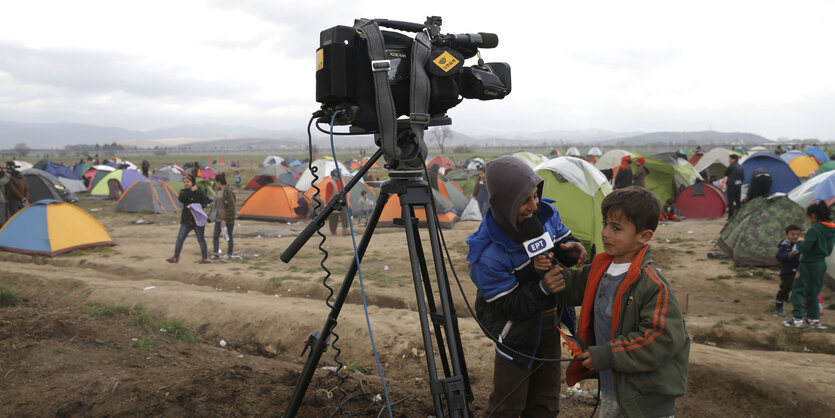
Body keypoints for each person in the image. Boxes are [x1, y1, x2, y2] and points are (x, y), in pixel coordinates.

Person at [544, 187, 690, 417]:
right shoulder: (602, 268)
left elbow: (660, 339)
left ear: (644, 236)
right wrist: (547, 259)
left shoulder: (651, 284)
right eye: (605, 224)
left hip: (646, 399)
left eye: (616, 228)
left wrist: (607, 354)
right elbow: (571, 287)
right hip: (614, 387)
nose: (605, 233)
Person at [466, 156, 587, 417]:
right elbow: (507, 306)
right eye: (525, 200)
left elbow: (563, 238)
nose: (534, 205)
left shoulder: (546, 214)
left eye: (536, 195)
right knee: (508, 406)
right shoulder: (487, 255)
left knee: (546, 404)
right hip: (516, 336)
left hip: (550, 326)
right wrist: (542, 288)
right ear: (504, 203)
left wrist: (572, 250)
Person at [782, 201, 835, 329]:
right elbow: (821, 244)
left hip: (808, 264)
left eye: (809, 217)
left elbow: (805, 248)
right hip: (821, 263)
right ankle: (813, 319)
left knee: (799, 290)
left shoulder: (814, 229)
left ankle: (798, 319)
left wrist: (800, 240)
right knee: (814, 291)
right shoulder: (831, 229)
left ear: (814, 216)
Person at [167, 175, 210, 264]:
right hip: (186, 220)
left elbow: (205, 203)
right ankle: (176, 257)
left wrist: (196, 207)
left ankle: (204, 258)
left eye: (188, 182)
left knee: (201, 239)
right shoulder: (183, 192)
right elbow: (181, 199)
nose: (186, 184)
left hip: (197, 220)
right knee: (180, 238)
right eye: (185, 182)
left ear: (192, 182)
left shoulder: (199, 192)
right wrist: (191, 190)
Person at [775, 224, 802, 315]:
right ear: (787, 235)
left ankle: (794, 305)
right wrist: (789, 255)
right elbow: (779, 257)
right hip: (787, 271)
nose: (795, 236)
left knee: (796, 288)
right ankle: (779, 305)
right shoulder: (784, 245)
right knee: (785, 288)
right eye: (792, 234)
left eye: (797, 234)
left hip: (797, 270)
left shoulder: (799, 244)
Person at [210, 173, 236, 262]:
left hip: (228, 220)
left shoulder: (228, 192)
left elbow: (231, 207)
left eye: (215, 182)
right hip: (218, 219)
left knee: (228, 237)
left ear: (218, 182)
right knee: (215, 236)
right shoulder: (218, 191)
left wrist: (225, 219)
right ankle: (216, 254)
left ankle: (229, 255)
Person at [326, 169, 349, 235]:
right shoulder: (330, 183)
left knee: (344, 215)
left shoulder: (340, 182)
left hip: (341, 201)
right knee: (334, 217)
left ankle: (345, 229)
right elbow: (328, 194)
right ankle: (333, 231)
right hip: (334, 202)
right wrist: (328, 204)